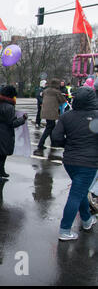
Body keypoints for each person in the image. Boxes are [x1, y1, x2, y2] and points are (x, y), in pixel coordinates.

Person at [51, 87, 98, 241]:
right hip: (90, 163)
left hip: (70, 161)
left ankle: (86, 221)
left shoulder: (67, 116)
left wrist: (70, 144)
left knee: (80, 191)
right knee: (77, 194)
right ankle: (64, 230)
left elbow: (56, 138)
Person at [0, 85, 28, 183]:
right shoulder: (9, 107)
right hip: (3, 133)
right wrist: (23, 119)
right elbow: (12, 123)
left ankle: (0, 171)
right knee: (0, 154)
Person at [36, 78, 66, 151]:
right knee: (49, 127)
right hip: (52, 112)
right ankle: (41, 143)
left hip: (45, 111)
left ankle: (53, 142)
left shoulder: (45, 91)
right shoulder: (57, 92)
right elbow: (62, 100)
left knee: (51, 127)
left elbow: (42, 95)